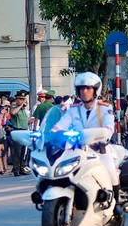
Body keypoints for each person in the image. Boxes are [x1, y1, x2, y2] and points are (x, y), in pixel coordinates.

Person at [52, 72, 123, 212]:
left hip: (99, 149)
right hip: (78, 149)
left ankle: (116, 202)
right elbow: (62, 123)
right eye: (81, 89)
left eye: (88, 89)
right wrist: (51, 134)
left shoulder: (104, 107)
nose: (84, 92)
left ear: (95, 90)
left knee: (110, 169)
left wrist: (104, 135)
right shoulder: (73, 109)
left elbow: (109, 127)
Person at [7, 90, 31, 175]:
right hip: (17, 131)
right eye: (20, 99)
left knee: (24, 151)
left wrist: (30, 121)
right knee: (17, 151)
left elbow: (25, 121)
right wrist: (20, 106)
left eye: (23, 99)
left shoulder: (24, 110)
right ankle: (16, 169)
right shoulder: (14, 107)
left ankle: (22, 167)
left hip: (24, 131)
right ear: (16, 100)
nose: (22, 101)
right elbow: (13, 113)